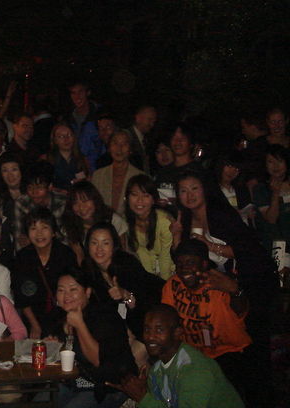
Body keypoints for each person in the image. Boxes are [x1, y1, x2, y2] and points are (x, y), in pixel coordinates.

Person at [171, 170, 277, 405]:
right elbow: (182, 259)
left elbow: (247, 249)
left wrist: (210, 245)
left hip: (249, 283)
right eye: (183, 191)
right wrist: (177, 236)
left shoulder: (220, 214)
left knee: (253, 347)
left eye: (194, 188)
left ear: (205, 189)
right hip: (217, 293)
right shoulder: (184, 219)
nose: (189, 195)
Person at [108, 304, 244, 408]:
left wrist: (143, 397)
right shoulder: (157, 370)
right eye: (147, 329)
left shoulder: (195, 370)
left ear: (177, 333)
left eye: (159, 330)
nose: (150, 337)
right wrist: (145, 392)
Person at [163, 239, 251, 397]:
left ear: (204, 264)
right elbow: (167, 321)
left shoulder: (219, 283)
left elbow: (241, 311)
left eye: (190, 263)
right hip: (192, 354)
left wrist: (235, 291)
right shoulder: (173, 285)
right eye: (179, 264)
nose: (184, 269)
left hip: (227, 352)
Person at [49, 266, 136, 408]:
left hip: (108, 386)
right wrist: (53, 348)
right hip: (74, 383)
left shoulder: (104, 316)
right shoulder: (59, 318)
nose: (66, 295)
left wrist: (80, 325)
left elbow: (97, 359)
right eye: (61, 290)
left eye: (73, 289)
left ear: (87, 292)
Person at [82, 222, 164, 343]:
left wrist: (125, 295)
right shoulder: (88, 268)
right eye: (94, 243)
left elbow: (140, 304)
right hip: (121, 326)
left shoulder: (127, 265)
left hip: (150, 319)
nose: (99, 249)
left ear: (114, 245)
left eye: (105, 243)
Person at [13, 208, 77, 338]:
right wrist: (34, 325)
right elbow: (21, 297)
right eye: (33, 228)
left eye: (44, 228)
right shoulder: (23, 257)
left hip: (63, 317)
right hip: (33, 319)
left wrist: (69, 320)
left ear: (53, 232)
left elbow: (75, 289)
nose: (39, 234)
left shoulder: (66, 254)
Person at [60, 181, 128, 264]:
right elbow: (79, 258)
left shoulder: (113, 220)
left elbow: (122, 254)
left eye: (85, 201)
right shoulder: (71, 224)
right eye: (75, 203)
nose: (81, 207)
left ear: (95, 200)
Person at [124, 175, 175, 280]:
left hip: (171, 272)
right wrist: (150, 281)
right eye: (134, 195)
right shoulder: (127, 221)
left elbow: (166, 257)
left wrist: (163, 283)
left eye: (146, 195)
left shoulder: (164, 221)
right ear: (127, 198)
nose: (139, 200)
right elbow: (142, 254)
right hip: (151, 274)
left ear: (153, 200)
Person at [13, 161, 66, 250]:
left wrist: (34, 240)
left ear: (50, 187)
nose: (34, 192)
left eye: (39, 188)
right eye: (30, 188)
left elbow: (65, 238)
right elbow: (19, 239)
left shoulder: (61, 202)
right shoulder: (22, 203)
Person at [91, 130, 144, 214]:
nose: (119, 148)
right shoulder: (98, 175)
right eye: (115, 143)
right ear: (109, 147)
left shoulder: (140, 177)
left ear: (130, 149)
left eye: (124, 144)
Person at [252, 144, 290, 251]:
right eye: (270, 162)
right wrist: (275, 193)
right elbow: (271, 219)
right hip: (276, 245)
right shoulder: (260, 189)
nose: (276, 166)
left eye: (279, 161)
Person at [45, 122, 89, 192]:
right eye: (61, 136)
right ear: (55, 140)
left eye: (69, 135)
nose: (66, 139)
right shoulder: (47, 159)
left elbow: (87, 179)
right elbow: (43, 185)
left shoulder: (82, 159)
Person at [126, 105, 157, 175]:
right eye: (149, 120)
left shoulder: (147, 140)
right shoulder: (127, 136)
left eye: (154, 122)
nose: (152, 124)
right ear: (138, 118)